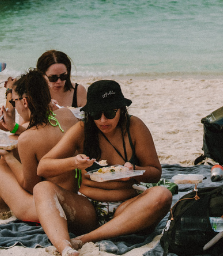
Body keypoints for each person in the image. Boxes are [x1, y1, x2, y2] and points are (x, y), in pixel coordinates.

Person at [33, 80, 172, 256]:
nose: (103, 120)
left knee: (163, 195)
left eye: (109, 112)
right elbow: (43, 167)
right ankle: (64, 247)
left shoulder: (134, 127)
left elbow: (155, 173)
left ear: (121, 109)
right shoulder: (82, 129)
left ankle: (83, 240)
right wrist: (74, 162)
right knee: (41, 188)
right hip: (87, 209)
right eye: (96, 113)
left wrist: (133, 170)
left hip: (126, 209)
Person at [0, 69, 76, 218]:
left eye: (14, 101)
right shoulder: (67, 115)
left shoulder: (28, 138)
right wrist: (13, 127)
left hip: (42, 207)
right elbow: (41, 128)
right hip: (71, 201)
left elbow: (30, 185)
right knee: (12, 143)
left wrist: (9, 158)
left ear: (25, 101)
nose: (16, 106)